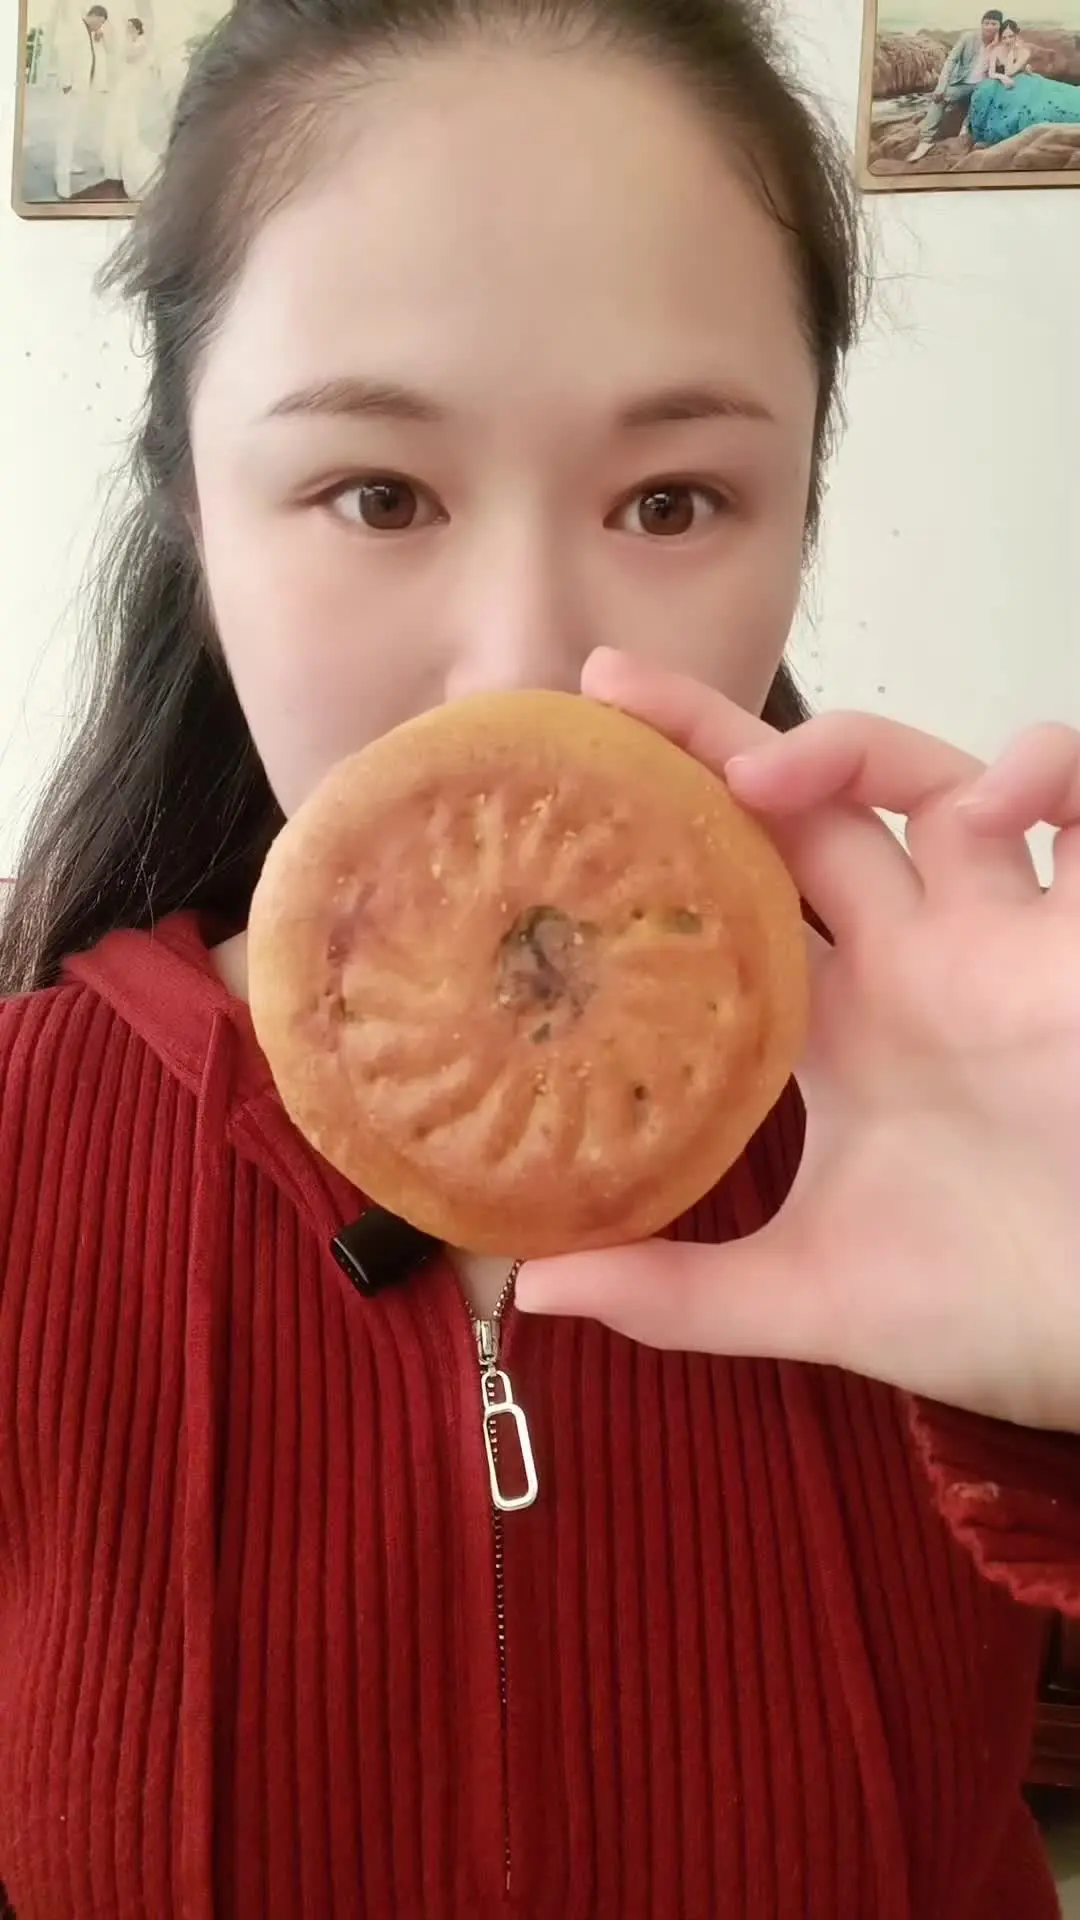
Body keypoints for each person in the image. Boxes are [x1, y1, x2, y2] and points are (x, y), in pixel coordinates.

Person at [0, 0, 1078, 1915]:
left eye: (673, 502)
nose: (526, 668)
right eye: (378, 494)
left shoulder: (996, 1131)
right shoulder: (18, 1160)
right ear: (191, 506)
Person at [908, 7, 1003, 164]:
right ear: (981, 24)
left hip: (983, 86)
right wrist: (941, 86)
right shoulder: (969, 38)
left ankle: (965, 131)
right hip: (962, 83)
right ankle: (925, 141)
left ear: (999, 26)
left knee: (981, 97)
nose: (989, 27)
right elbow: (951, 61)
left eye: (994, 24)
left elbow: (1008, 60)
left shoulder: (1000, 43)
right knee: (939, 99)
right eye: (986, 23)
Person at [970, 17, 1080, 145]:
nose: (1007, 40)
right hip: (1003, 82)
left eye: (1011, 36)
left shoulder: (1024, 51)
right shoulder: (997, 50)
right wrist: (1002, 77)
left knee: (1037, 107)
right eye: (1004, 38)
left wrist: (1011, 53)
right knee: (984, 91)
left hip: (1022, 80)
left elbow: (1010, 71)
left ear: (1016, 35)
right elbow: (991, 72)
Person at [51, 0, 108, 200]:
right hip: (71, 89)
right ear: (93, 15)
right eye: (100, 22)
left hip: (82, 89)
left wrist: (98, 39)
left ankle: (70, 163)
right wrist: (66, 83)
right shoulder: (75, 28)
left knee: (74, 129)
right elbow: (64, 54)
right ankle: (61, 177)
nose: (100, 27)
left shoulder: (89, 33)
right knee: (66, 133)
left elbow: (90, 58)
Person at [100, 16, 160, 200]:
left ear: (137, 29)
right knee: (116, 120)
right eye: (127, 27)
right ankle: (114, 162)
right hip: (124, 84)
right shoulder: (130, 42)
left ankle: (127, 161)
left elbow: (129, 57)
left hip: (131, 86)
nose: (128, 30)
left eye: (130, 27)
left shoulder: (141, 44)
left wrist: (123, 43)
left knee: (126, 121)